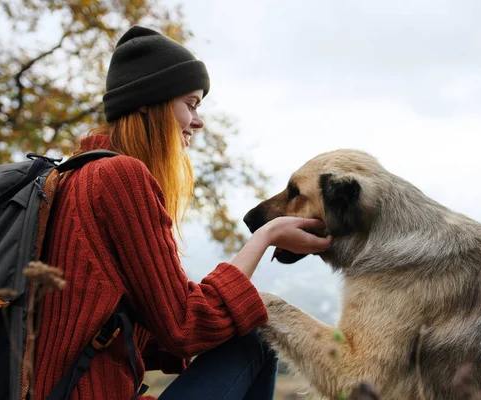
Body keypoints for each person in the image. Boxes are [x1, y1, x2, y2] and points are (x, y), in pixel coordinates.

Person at [32, 25, 332, 400]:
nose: (198, 121)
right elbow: (183, 325)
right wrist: (266, 237)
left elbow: (124, 322)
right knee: (258, 339)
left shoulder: (75, 174)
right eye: (190, 104)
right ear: (149, 103)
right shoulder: (119, 177)